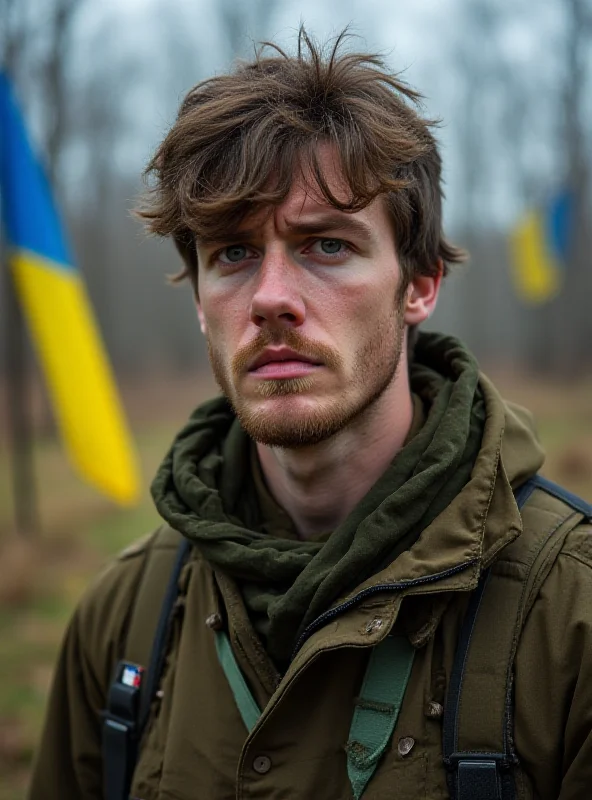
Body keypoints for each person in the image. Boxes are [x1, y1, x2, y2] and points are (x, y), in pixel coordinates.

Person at [29, 29, 592, 800]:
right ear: (198, 300)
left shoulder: (571, 616)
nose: (269, 299)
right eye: (230, 254)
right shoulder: (122, 619)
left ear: (420, 283)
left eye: (325, 245)